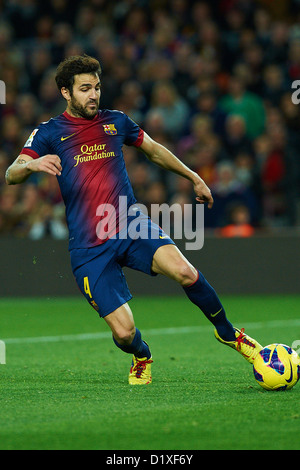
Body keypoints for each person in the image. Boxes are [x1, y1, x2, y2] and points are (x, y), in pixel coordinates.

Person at [5, 55, 262, 385]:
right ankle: (142, 354)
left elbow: (154, 151)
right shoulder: (49, 132)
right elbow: (11, 174)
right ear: (65, 92)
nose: (94, 95)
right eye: (85, 89)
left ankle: (229, 334)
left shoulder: (116, 122)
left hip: (130, 224)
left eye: (97, 87)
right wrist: (31, 166)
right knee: (125, 333)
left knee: (185, 271)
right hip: (89, 247)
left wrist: (193, 176)